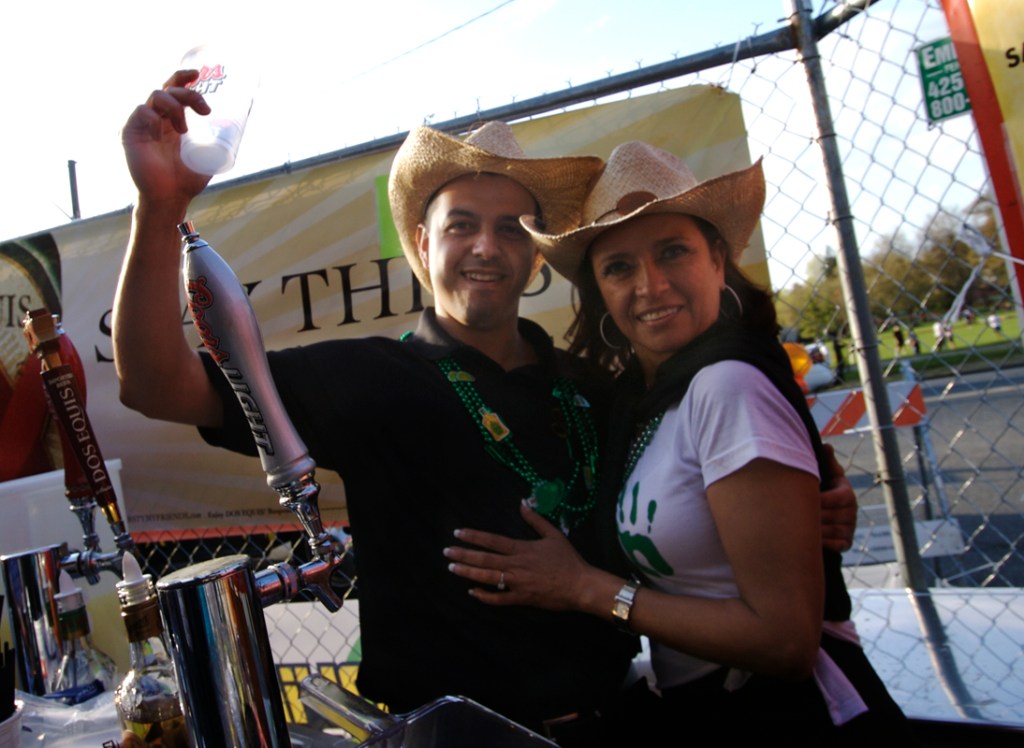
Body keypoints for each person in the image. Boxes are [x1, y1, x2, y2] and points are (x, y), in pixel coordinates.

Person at [112, 71, 857, 743]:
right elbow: (155, 385)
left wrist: (817, 498)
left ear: (535, 254)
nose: (485, 247)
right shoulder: (366, 376)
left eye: (509, 229)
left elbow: (712, 479)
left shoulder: (598, 389)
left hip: (627, 720)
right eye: (461, 224)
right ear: (421, 242)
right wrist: (159, 205)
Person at [445, 142, 915, 744]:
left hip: (790, 715)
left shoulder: (727, 385)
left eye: (673, 251)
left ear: (718, 260)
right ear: (600, 291)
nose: (652, 285)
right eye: (620, 267)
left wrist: (585, 589)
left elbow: (786, 641)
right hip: (703, 708)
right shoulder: (639, 402)